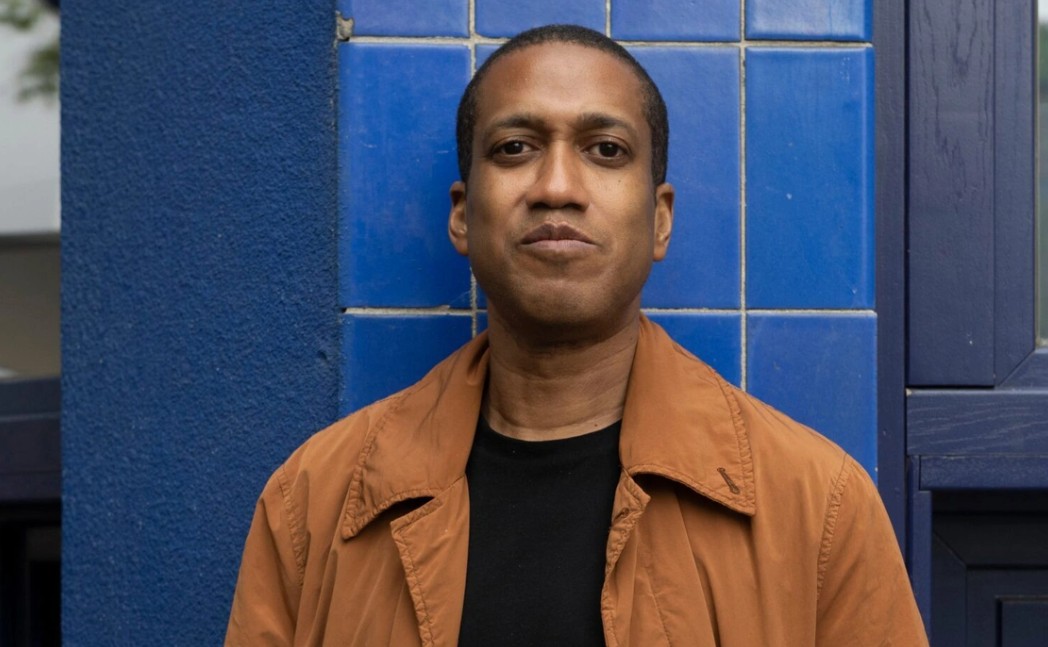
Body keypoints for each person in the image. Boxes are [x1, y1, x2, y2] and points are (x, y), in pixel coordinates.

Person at [226, 24, 928, 646]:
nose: (557, 185)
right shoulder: (313, 504)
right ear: (463, 216)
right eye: (515, 147)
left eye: (606, 149)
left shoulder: (817, 508)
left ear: (660, 219)